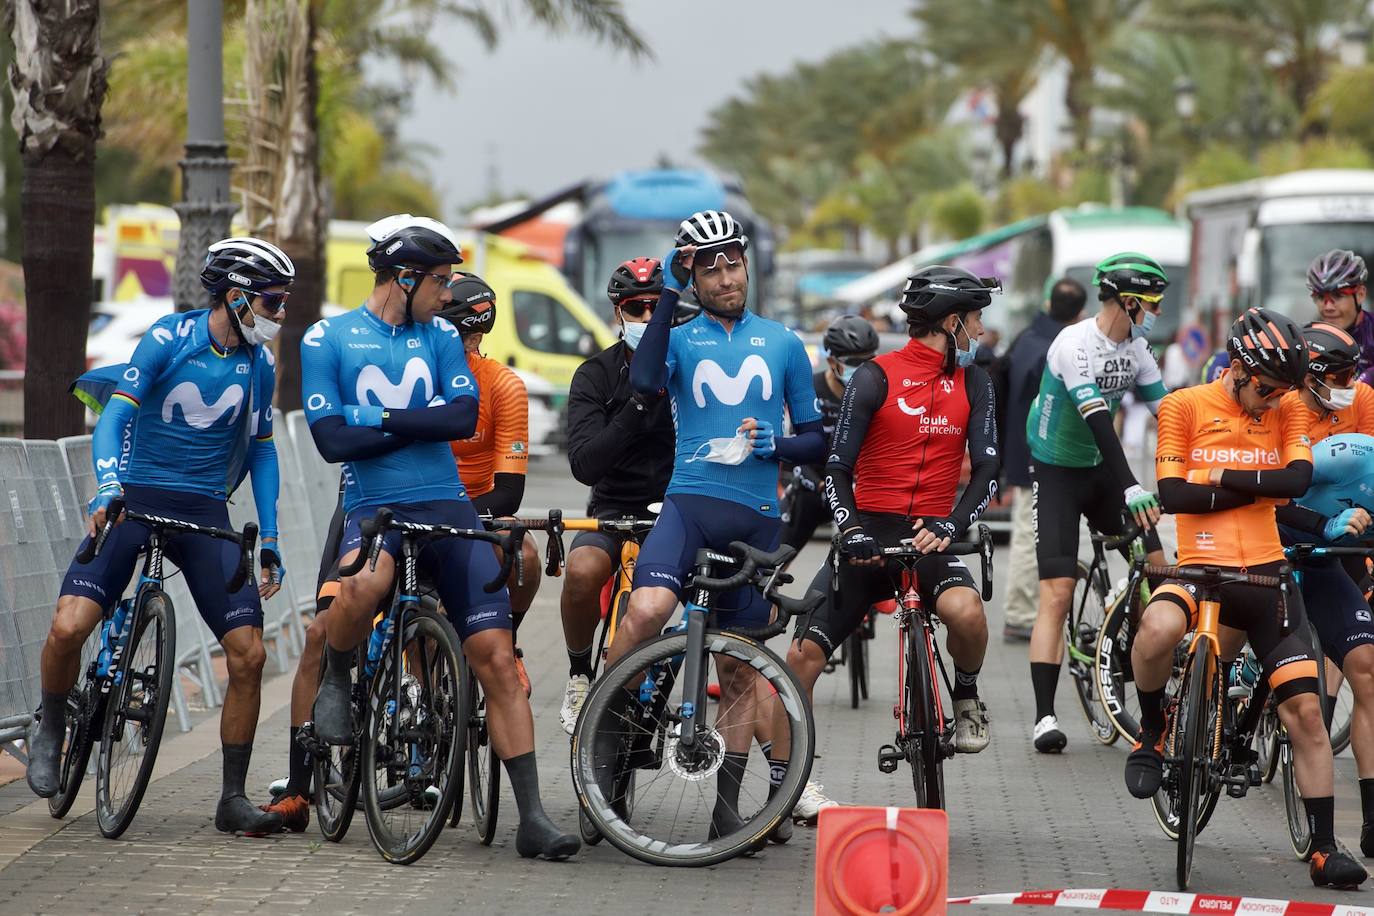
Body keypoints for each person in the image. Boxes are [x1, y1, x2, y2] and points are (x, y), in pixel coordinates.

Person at [300, 213, 577, 860]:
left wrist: (372, 416)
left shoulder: (442, 339)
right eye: (441, 281)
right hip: (376, 504)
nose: (448, 294)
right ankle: (339, 674)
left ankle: (532, 816)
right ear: (404, 277)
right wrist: (410, 424)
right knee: (364, 584)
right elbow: (330, 440)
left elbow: (458, 417)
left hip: (448, 504)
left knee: (498, 658)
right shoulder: (328, 339)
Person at [28, 238, 291, 836]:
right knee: (69, 626)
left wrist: (270, 535)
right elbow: (116, 415)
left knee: (250, 654)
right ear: (236, 298)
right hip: (137, 495)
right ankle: (50, 724)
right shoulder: (170, 339)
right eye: (272, 301)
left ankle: (230, 797)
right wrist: (106, 488)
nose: (279, 314)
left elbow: (263, 450)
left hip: (203, 507)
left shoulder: (260, 364)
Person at [1127, 307, 1365, 888]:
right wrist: (1251, 487)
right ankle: (1153, 728)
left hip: (1266, 576)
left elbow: (1297, 483)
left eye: (1282, 390)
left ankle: (1324, 848)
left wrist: (1221, 478)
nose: (1273, 399)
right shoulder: (1184, 406)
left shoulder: (1285, 410)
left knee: (1306, 710)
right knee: (1155, 631)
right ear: (1236, 368)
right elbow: (1173, 494)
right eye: (1264, 387)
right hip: (1199, 568)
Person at [614, 209, 826, 836]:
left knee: (736, 670)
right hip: (688, 505)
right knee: (647, 610)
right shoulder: (677, 334)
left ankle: (728, 812)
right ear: (691, 274)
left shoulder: (783, 342)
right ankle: (603, 728)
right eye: (711, 267)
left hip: (757, 516)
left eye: (734, 263)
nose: (728, 277)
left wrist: (776, 448)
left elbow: (815, 439)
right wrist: (670, 299)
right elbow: (646, 382)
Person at [784, 265, 1000, 816]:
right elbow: (837, 467)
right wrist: (849, 526)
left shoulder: (976, 382)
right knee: (799, 658)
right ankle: (789, 784)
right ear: (951, 323)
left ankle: (967, 695)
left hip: (930, 535)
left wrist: (952, 523)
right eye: (974, 319)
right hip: (868, 534)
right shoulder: (875, 377)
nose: (979, 331)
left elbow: (987, 470)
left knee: (968, 614)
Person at [1023, 252, 1169, 754]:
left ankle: (1144, 653)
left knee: (1158, 566)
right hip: (1059, 468)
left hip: (1102, 469)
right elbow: (1098, 422)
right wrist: (1132, 484)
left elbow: (1168, 414)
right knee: (1057, 593)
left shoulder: (1137, 347)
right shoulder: (1074, 344)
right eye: (1150, 302)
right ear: (1127, 301)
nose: (1155, 311)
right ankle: (1044, 715)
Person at [557, 257, 676, 735]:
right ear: (618, 314)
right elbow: (585, 464)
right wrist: (636, 406)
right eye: (635, 308)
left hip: (678, 510)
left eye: (655, 307)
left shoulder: (688, 363)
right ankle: (579, 672)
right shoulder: (595, 374)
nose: (647, 318)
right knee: (582, 571)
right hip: (613, 509)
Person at [442, 272, 542, 696]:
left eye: (473, 337)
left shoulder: (503, 386)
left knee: (527, 554)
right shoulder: (410, 377)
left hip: (478, 508)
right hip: (414, 504)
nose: (469, 346)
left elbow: (508, 493)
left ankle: (509, 639)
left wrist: (457, 516)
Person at [999, 278, 1086, 642]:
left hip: (1020, 453)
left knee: (1030, 532)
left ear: (1049, 301)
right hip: (1043, 456)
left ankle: (1029, 611)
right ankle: (1021, 614)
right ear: (1081, 313)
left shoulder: (1025, 338)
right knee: (1029, 534)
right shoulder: (1061, 347)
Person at [778, 314, 879, 552]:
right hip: (813, 484)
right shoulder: (809, 388)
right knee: (776, 557)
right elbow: (794, 454)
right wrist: (822, 486)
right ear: (833, 362)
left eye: (869, 360)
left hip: (858, 488)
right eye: (854, 361)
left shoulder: (878, 390)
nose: (862, 368)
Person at [1308, 249, 1374, 384]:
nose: (1328, 307)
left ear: (1360, 294)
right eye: (1320, 297)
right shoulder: (1307, 338)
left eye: (1338, 296)